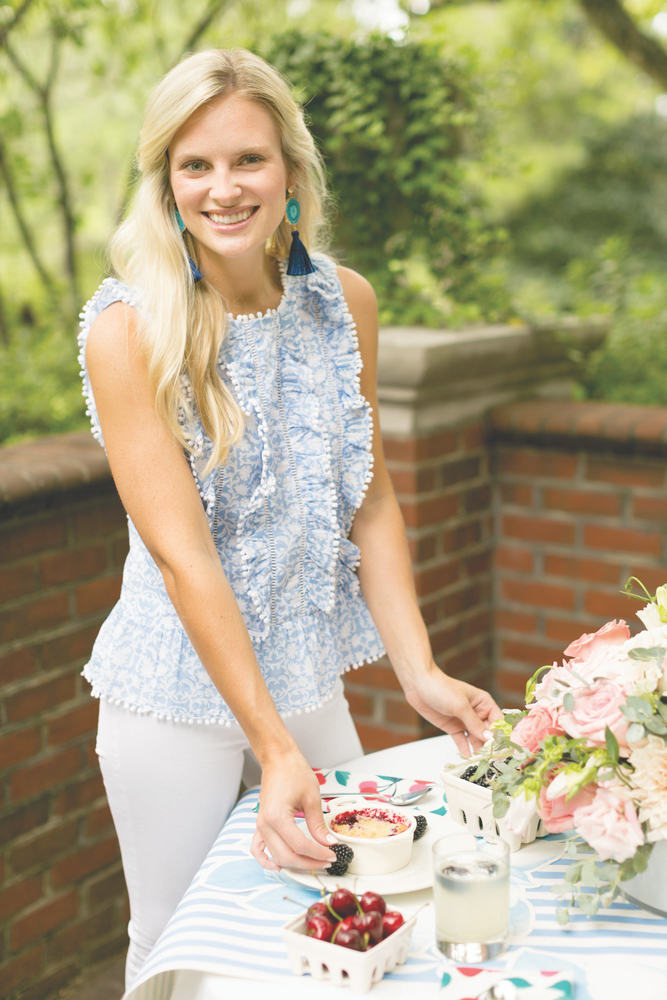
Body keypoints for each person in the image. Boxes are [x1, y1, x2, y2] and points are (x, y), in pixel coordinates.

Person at [80, 48, 502, 989]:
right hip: (172, 696)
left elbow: (371, 496)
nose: (223, 189)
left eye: (248, 160)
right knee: (174, 949)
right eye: (196, 165)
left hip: (305, 671)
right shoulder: (128, 330)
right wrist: (270, 748)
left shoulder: (342, 302)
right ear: (165, 182)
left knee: (361, 921)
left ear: (291, 172)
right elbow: (184, 560)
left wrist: (419, 672)